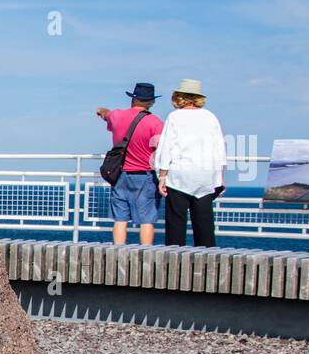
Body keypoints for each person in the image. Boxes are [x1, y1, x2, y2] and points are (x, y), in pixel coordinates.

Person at [154, 79, 226, 247]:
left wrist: (162, 177)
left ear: (179, 97)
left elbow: (166, 148)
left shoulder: (174, 117)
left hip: (180, 174)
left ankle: (174, 262)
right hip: (206, 175)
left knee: (176, 222)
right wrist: (220, 179)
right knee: (204, 223)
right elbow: (219, 150)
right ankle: (208, 262)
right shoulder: (210, 117)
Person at [95, 82, 164, 246]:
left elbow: (107, 115)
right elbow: (160, 148)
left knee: (120, 219)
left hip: (119, 174)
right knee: (147, 220)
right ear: (151, 102)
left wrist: (101, 111)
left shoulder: (117, 116)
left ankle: (118, 252)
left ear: (133, 99)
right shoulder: (155, 123)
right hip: (144, 175)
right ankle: (146, 254)